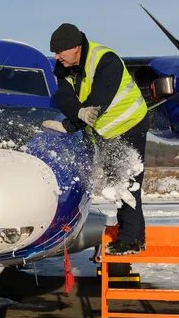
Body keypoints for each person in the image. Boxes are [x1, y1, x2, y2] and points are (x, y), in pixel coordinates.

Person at [44, 23, 149, 255]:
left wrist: (70, 124)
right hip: (104, 131)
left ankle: (131, 240)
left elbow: (98, 101)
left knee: (126, 182)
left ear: (75, 47)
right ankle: (136, 236)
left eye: (60, 51)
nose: (56, 56)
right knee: (116, 179)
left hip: (129, 124)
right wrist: (76, 112)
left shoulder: (106, 61)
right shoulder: (64, 66)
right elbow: (63, 95)